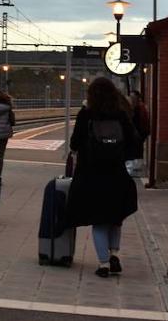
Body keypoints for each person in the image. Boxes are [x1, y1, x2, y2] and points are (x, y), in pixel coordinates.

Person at [67, 77, 140, 277]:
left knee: (99, 220)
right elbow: (134, 141)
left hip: (91, 174)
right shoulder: (120, 114)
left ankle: (103, 263)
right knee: (115, 218)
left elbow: (75, 142)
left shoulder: (86, 114)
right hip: (116, 173)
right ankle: (114, 254)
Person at [125, 90, 151, 177]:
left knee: (136, 149)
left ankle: (135, 168)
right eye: (131, 97)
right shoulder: (135, 107)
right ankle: (134, 167)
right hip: (137, 132)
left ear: (137, 98)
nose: (132, 99)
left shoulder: (140, 108)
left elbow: (141, 122)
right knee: (135, 149)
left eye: (133, 97)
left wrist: (139, 133)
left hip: (139, 132)